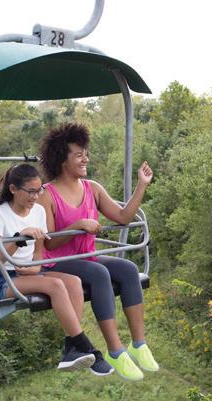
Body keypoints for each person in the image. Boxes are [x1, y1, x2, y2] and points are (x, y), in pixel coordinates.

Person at [37, 123, 159, 381]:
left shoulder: (92, 188)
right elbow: (49, 243)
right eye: (78, 155)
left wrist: (142, 185)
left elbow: (123, 217)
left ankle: (139, 344)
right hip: (57, 262)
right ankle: (115, 350)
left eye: (86, 154)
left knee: (127, 269)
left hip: (85, 257)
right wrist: (78, 226)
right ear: (62, 159)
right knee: (98, 273)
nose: (85, 159)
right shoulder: (46, 195)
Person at [0, 163, 105, 372]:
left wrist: (33, 267)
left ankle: (71, 347)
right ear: (13, 189)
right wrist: (19, 238)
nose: (35, 196)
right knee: (56, 285)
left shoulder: (38, 211)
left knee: (74, 282)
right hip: (5, 278)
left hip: (30, 271)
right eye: (30, 191)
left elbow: (39, 254)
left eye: (38, 190)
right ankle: (86, 348)